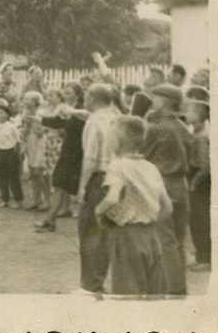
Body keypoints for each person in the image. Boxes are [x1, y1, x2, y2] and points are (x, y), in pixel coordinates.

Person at [95, 116, 172, 296]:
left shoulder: (117, 166)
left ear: (117, 143)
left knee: (127, 293)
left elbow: (112, 198)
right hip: (151, 236)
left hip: (126, 235)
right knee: (154, 291)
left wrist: (97, 212)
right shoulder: (150, 167)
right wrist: (148, 223)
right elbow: (167, 207)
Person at [143, 83, 191, 295]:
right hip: (181, 184)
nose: (153, 103)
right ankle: (178, 286)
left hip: (162, 183)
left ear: (163, 101)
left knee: (164, 239)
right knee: (178, 239)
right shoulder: (182, 127)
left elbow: (142, 153)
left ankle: (172, 289)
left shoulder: (154, 128)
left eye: (155, 99)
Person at [76, 83, 119, 294]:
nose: (85, 100)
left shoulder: (94, 122)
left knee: (89, 230)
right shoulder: (116, 117)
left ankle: (89, 285)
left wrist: (82, 187)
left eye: (86, 96)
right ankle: (97, 282)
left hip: (99, 177)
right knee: (105, 232)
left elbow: (90, 158)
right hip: (116, 176)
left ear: (93, 98)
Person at [36, 83, 86, 232]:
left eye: (69, 93)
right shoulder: (67, 109)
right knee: (59, 184)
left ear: (77, 94)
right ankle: (50, 220)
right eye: (64, 93)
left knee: (66, 185)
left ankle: (51, 220)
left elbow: (78, 128)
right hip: (68, 151)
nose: (66, 96)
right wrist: (39, 119)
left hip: (77, 153)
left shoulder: (81, 110)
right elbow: (59, 122)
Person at [185, 98, 211, 272]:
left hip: (198, 183)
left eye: (189, 111)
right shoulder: (197, 133)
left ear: (198, 116)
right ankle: (203, 256)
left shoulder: (200, 137)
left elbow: (205, 166)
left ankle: (204, 258)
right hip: (199, 182)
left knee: (199, 221)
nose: (186, 114)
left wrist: (193, 184)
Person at [0, 100, 23, 209]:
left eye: (1, 113)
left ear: (8, 115)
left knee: (13, 177)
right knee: (1, 177)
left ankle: (18, 200)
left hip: (10, 153)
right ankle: (5, 200)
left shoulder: (11, 126)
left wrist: (17, 155)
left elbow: (17, 141)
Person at [21, 91, 49, 211]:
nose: (25, 102)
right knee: (32, 172)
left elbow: (40, 133)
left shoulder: (41, 113)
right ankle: (36, 200)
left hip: (40, 144)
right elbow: (24, 131)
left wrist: (33, 121)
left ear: (34, 102)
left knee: (40, 172)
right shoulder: (25, 113)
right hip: (30, 143)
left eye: (27, 99)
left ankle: (47, 201)